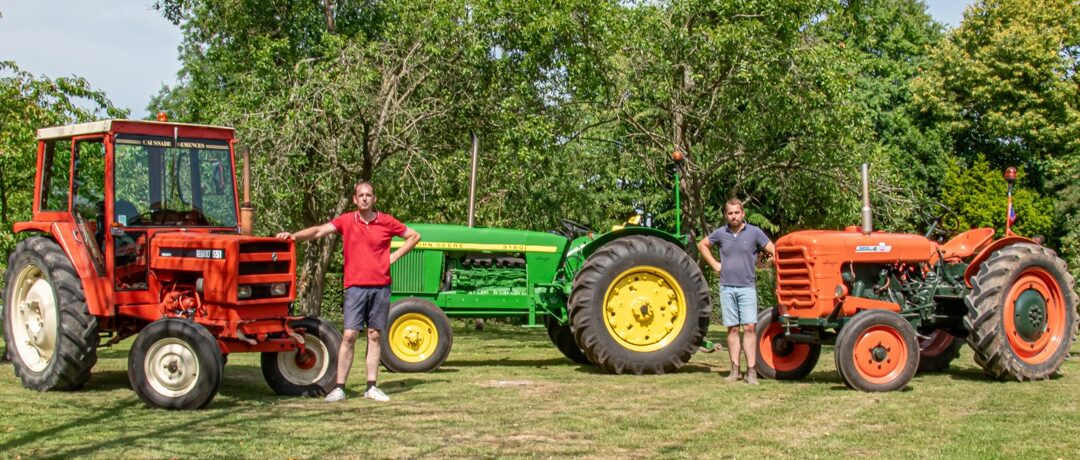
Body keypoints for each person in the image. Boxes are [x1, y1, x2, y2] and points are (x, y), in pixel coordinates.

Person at [276, 181, 421, 402]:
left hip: (380, 286)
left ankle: (371, 387)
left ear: (374, 199)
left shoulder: (386, 221)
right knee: (349, 335)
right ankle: (339, 388)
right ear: (354, 199)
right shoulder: (346, 221)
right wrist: (294, 236)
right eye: (361, 195)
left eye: (368, 195)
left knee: (375, 335)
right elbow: (318, 231)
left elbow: (414, 236)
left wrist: (393, 257)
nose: (364, 198)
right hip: (355, 287)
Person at [696, 198, 775, 385]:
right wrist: (715, 264)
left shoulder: (755, 233)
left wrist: (769, 260)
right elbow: (702, 245)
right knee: (732, 329)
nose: (733, 216)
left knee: (749, 328)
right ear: (726, 215)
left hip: (747, 287)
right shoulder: (720, 234)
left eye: (736, 213)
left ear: (743, 213)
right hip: (726, 287)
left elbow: (773, 249)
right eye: (730, 213)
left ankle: (752, 372)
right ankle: (734, 370)